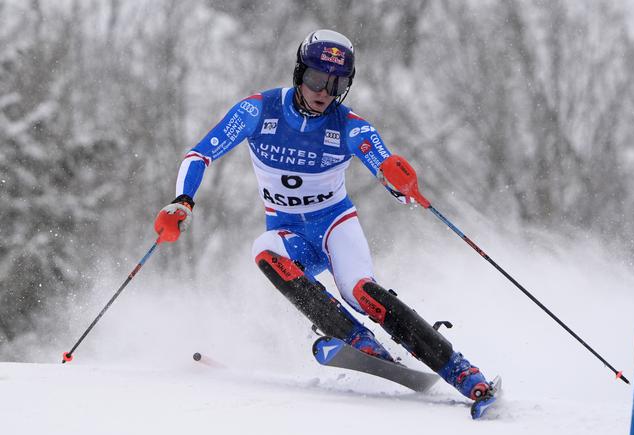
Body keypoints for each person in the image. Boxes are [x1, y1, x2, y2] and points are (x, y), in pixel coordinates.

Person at [154, 30, 491, 401]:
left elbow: (383, 164)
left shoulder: (348, 124)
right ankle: (357, 339)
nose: (323, 92)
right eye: (316, 79)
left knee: (361, 293)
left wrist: (398, 179)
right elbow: (199, 155)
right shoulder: (257, 110)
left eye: (336, 84)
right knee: (265, 249)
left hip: (334, 227)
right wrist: (182, 201)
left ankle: (462, 372)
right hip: (289, 235)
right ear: (300, 73)